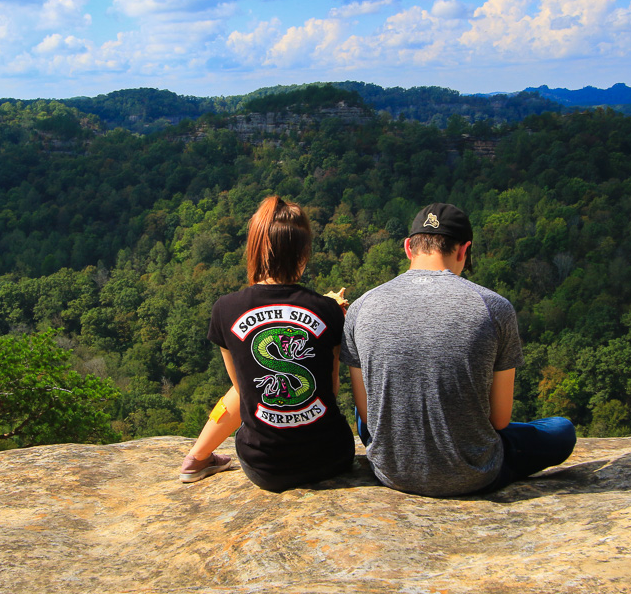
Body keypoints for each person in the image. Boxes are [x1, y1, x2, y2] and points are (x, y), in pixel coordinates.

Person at [341, 202, 576, 497]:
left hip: (392, 471)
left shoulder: (361, 307)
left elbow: (367, 415)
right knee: (561, 430)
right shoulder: (495, 307)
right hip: (472, 474)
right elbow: (499, 420)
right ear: (464, 250)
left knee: (365, 401)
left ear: (408, 248)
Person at [179, 196, 354, 491]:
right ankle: (197, 457)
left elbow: (244, 390)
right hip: (330, 457)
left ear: (255, 251)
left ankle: (197, 457)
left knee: (246, 382)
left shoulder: (225, 309)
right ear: (304, 254)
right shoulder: (328, 311)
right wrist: (332, 318)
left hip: (264, 467)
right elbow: (331, 389)